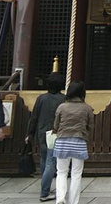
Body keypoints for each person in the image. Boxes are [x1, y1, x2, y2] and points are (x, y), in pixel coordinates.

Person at [26, 73, 65, 202]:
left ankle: (45, 187)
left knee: (44, 160)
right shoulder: (63, 99)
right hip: (55, 133)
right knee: (51, 162)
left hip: (41, 132)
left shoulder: (41, 98)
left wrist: (30, 133)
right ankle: (44, 192)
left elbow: (34, 117)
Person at [52, 80, 93, 204]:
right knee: (76, 174)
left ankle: (60, 198)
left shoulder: (62, 107)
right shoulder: (87, 108)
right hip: (79, 141)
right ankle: (73, 201)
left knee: (61, 172)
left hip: (62, 141)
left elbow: (56, 125)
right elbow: (90, 126)